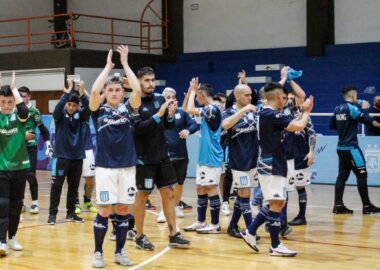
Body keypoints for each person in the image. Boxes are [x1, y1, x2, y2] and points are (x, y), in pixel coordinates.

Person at [240, 82, 314, 257]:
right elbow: (299, 126)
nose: (286, 100)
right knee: (276, 202)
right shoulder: (269, 114)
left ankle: (250, 231)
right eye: (284, 98)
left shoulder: (270, 113)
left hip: (275, 162)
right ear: (279, 97)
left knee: (278, 202)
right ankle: (275, 245)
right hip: (271, 163)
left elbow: (292, 123)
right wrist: (306, 112)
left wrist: (302, 111)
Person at [89, 46, 141, 267]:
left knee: (122, 210)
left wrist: (126, 64)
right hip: (104, 167)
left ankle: (120, 252)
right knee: (104, 209)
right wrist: (108, 67)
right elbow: (93, 92)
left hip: (127, 166)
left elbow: (137, 91)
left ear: (122, 92)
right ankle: (98, 252)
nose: (113, 93)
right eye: (110, 90)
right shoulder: (97, 110)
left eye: (118, 90)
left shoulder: (129, 108)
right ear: (106, 92)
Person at [133, 66, 190, 250]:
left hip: (162, 156)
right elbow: (139, 129)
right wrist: (158, 116)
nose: (151, 83)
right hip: (144, 159)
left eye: (153, 80)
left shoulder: (159, 98)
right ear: (139, 82)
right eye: (147, 80)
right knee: (142, 196)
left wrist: (170, 116)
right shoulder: (133, 102)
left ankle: (174, 234)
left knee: (168, 193)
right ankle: (139, 235)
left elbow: (167, 125)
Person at [330, 86, 380, 214]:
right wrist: (365, 109)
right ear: (352, 96)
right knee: (362, 175)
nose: (357, 98)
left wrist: (345, 127)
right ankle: (367, 206)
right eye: (356, 96)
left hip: (340, 147)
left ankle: (338, 205)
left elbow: (331, 125)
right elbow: (369, 121)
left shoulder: (337, 109)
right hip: (352, 148)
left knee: (342, 176)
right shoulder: (352, 109)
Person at [183, 78, 224, 234]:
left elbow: (191, 110)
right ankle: (201, 221)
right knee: (200, 188)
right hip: (203, 156)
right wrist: (191, 92)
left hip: (212, 156)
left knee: (211, 188)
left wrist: (193, 90)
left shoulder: (212, 108)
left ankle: (215, 224)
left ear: (202, 95)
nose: (197, 99)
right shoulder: (208, 109)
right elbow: (187, 108)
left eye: (198, 96)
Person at [47, 77, 89, 225]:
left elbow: (88, 109)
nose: (71, 107)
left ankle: (71, 213)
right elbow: (56, 111)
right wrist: (65, 94)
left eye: (74, 105)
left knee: (73, 187)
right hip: (61, 157)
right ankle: (52, 214)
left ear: (78, 106)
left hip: (77, 157)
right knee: (57, 186)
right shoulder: (60, 116)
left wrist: (82, 93)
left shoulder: (81, 116)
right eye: (69, 105)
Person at [156, 87, 199, 223]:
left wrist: (188, 130)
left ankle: (175, 206)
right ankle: (163, 210)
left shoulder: (182, 112)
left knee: (179, 183)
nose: (171, 99)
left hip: (180, 154)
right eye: (167, 97)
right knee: (163, 185)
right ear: (163, 99)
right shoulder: (159, 114)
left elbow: (195, 125)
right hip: (163, 155)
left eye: (172, 97)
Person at [222, 84, 259, 238]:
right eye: (246, 95)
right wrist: (243, 110)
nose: (250, 98)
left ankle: (232, 226)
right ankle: (251, 230)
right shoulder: (229, 112)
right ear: (237, 96)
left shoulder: (254, 111)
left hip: (253, 159)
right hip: (238, 161)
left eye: (251, 95)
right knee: (245, 193)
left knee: (243, 195)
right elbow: (225, 125)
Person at [0, 72, 30, 256]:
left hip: (20, 167)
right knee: (2, 204)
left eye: (9, 102)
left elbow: (24, 111)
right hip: (1, 168)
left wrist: (13, 90)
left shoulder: (19, 117)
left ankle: (12, 238)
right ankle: (1, 241)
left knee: (16, 205)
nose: (6, 105)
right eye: (2, 102)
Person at [18, 86, 53, 214]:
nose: (22, 98)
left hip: (30, 147)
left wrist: (48, 144)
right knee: (19, 176)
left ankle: (34, 203)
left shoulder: (34, 112)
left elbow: (43, 129)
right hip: (17, 148)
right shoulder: (13, 110)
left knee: (30, 174)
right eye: (20, 95)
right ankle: (20, 203)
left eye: (24, 96)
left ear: (29, 96)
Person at [288, 99, 316, 226]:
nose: (288, 101)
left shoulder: (304, 117)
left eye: (290, 99)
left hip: (300, 156)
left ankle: (301, 216)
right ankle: (280, 217)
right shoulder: (282, 115)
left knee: (300, 187)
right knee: (283, 188)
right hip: (285, 157)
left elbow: (312, 134)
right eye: (286, 98)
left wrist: (311, 152)